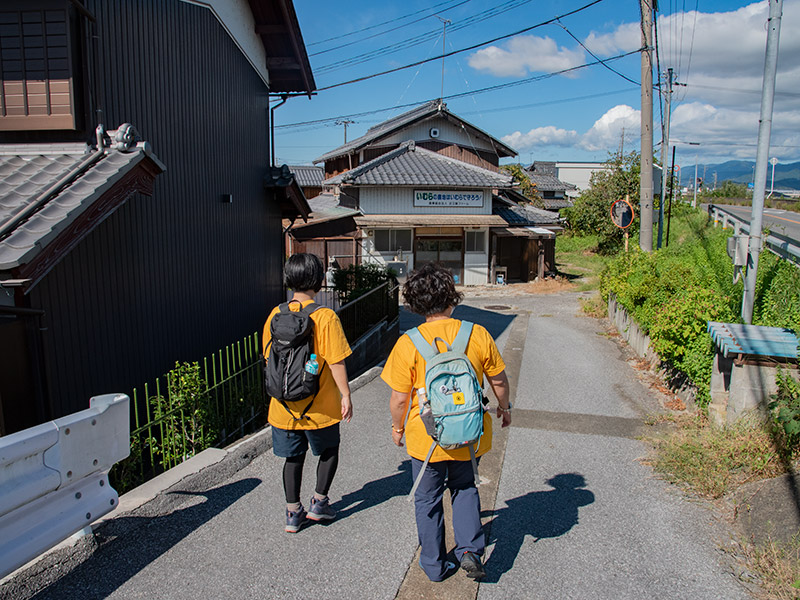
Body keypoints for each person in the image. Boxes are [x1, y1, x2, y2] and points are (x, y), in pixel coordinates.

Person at [381, 263, 511, 581]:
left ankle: (435, 565)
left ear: (414, 303)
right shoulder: (477, 334)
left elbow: (399, 399)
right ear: (452, 298)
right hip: (469, 432)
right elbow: (499, 381)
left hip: (427, 438)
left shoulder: (407, 343)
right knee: (465, 487)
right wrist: (505, 408)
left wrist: (397, 428)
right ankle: (469, 551)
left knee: (427, 498)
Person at [263, 253, 353, 533]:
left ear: (289, 279)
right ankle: (320, 503)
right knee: (328, 450)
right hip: (320, 405)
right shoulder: (324, 317)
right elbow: (336, 360)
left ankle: (293, 514)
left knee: (294, 457)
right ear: (319, 279)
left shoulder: (275, 314)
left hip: (284, 406)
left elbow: (268, 359)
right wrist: (346, 395)